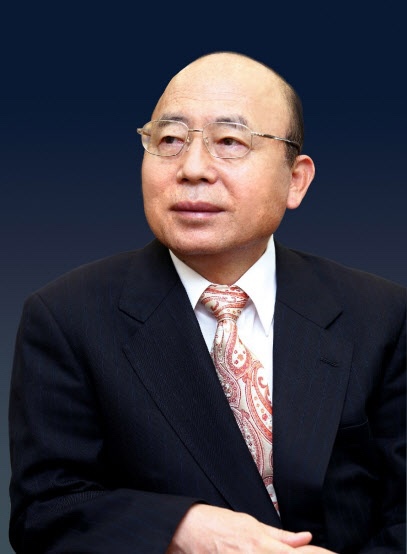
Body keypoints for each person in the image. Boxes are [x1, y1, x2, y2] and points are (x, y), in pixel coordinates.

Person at [8, 51, 405, 554]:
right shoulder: (67, 318)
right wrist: (183, 528)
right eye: (170, 140)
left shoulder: (380, 315)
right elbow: (45, 512)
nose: (192, 169)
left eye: (230, 142)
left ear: (296, 180)